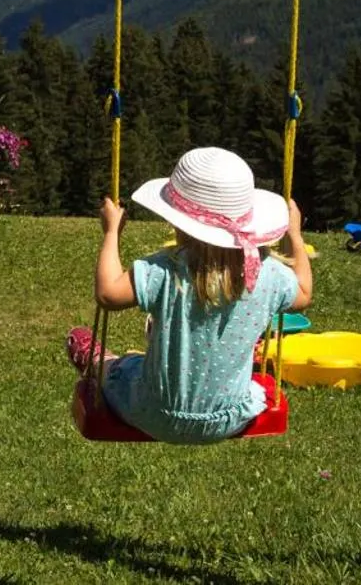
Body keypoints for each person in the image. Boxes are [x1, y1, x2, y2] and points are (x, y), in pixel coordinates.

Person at [66, 146, 312, 443]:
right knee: (140, 364)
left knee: (119, 370)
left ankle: (99, 359)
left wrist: (110, 234)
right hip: (229, 417)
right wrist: (295, 236)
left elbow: (108, 294)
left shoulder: (166, 269)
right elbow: (303, 294)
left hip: (154, 414)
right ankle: (133, 361)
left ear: (177, 221)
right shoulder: (268, 274)